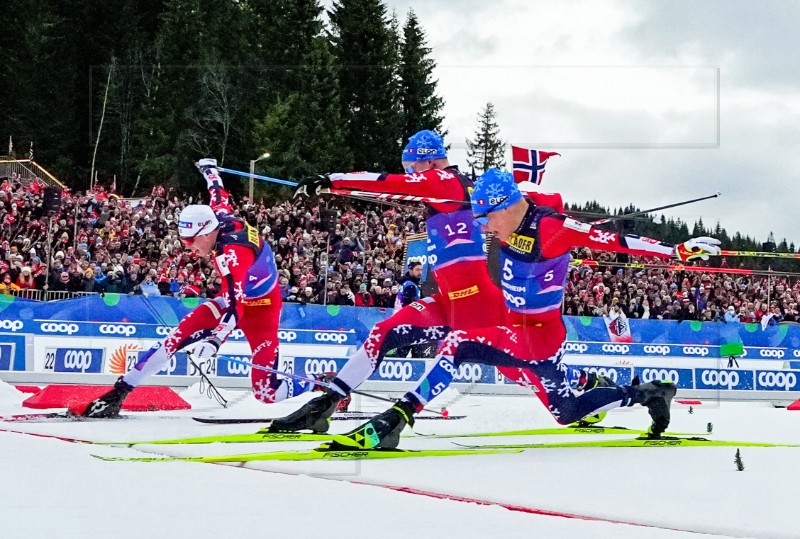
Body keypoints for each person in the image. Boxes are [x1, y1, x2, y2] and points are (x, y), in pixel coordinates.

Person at [329, 169, 722, 448]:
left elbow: (614, 241)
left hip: (537, 337)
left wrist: (675, 250)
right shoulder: (515, 212)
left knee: (457, 344)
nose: (483, 228)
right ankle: (649, 394)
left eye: (486, 219)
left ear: (506, 207)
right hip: (519, 331)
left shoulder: (552, 230)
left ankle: (395, 420)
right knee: (566, 411)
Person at [270, 130, 519, 432]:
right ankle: (325, 404)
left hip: (477, 302)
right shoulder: (447, 189)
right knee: (383, 332)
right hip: (450, 301)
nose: (409, 174)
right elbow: (396, 189)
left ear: (426, 162)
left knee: (527, 372)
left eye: (410, 167)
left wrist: (332, 179)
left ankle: (583, 385)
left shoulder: (444, 180)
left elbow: (389, 182)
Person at [77, 158, 312, 417]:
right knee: (175, 338)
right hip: (231, 301)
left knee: (267, 393)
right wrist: (210, 170)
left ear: (205, 232)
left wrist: (215, 340)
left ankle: (317, 382)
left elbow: (238, 306)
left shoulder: (233, 253)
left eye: (190, 241)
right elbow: (218, 192)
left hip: (262, 309)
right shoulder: (217, 216)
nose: (189, 248)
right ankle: (118, 393)